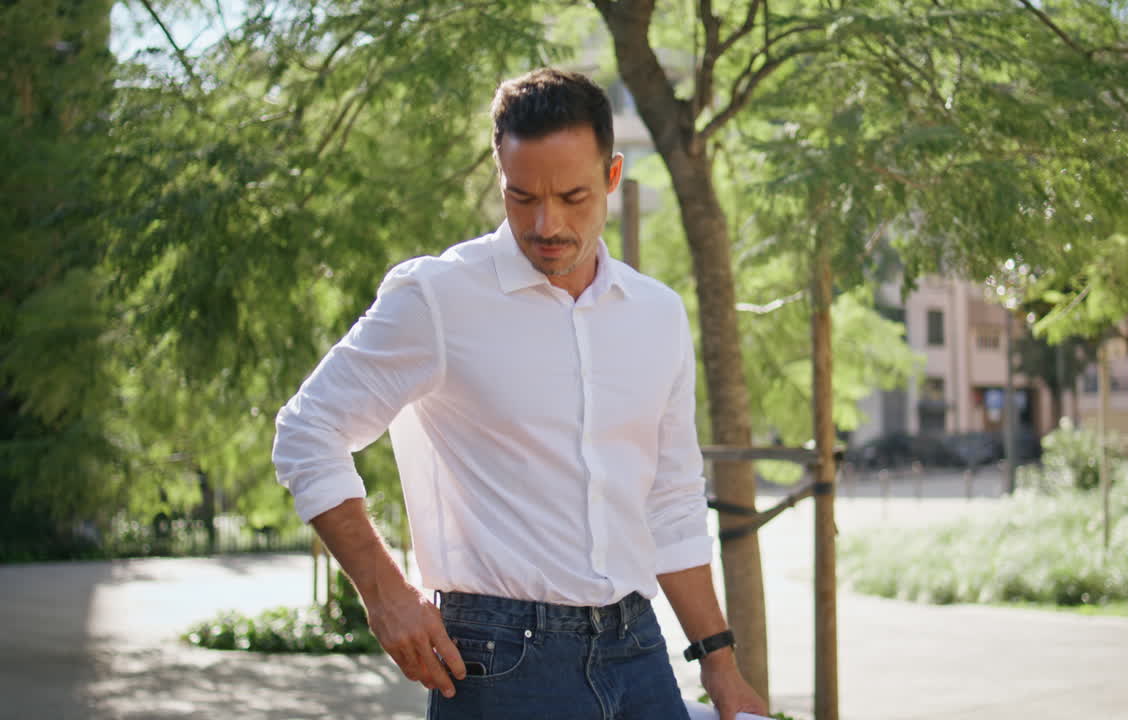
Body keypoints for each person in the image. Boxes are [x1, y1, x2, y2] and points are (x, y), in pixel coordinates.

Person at [272, 68, 767, 720]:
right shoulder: (440, 298)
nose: (546, 223)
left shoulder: (657, 314)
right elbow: (308, 430)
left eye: (572, 196)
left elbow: (670, 504)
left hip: (638, 648)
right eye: (521, 196)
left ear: (613, 178)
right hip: (505, 660)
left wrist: (721, 668)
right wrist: (385, 590)